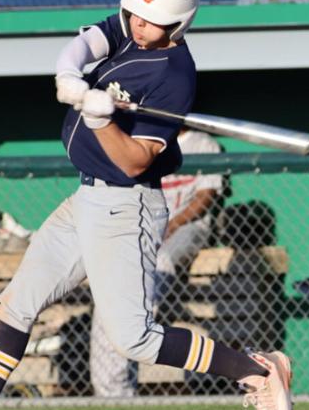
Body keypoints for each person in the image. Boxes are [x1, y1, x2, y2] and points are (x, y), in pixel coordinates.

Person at [0, 0, 292, 410]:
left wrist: (101, 118)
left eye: (152, 22)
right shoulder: (130, 25)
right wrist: (68, 76)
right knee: (16, 305)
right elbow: (84, 45)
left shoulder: (174, 75)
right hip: (85, 198)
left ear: (179, 23)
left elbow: (134, 161)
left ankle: (255, 370)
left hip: (128, 205)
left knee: (134, 339)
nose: (139, 25)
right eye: (136, 15)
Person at [88, 127, 223, 395]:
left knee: (160, 258)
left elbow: (206, 196)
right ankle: (111, 388)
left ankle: (140, 322)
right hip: (145, 225)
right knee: (110, 278)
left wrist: (173, 224)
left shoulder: (203, 144)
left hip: (187, 227)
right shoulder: (141, 140)